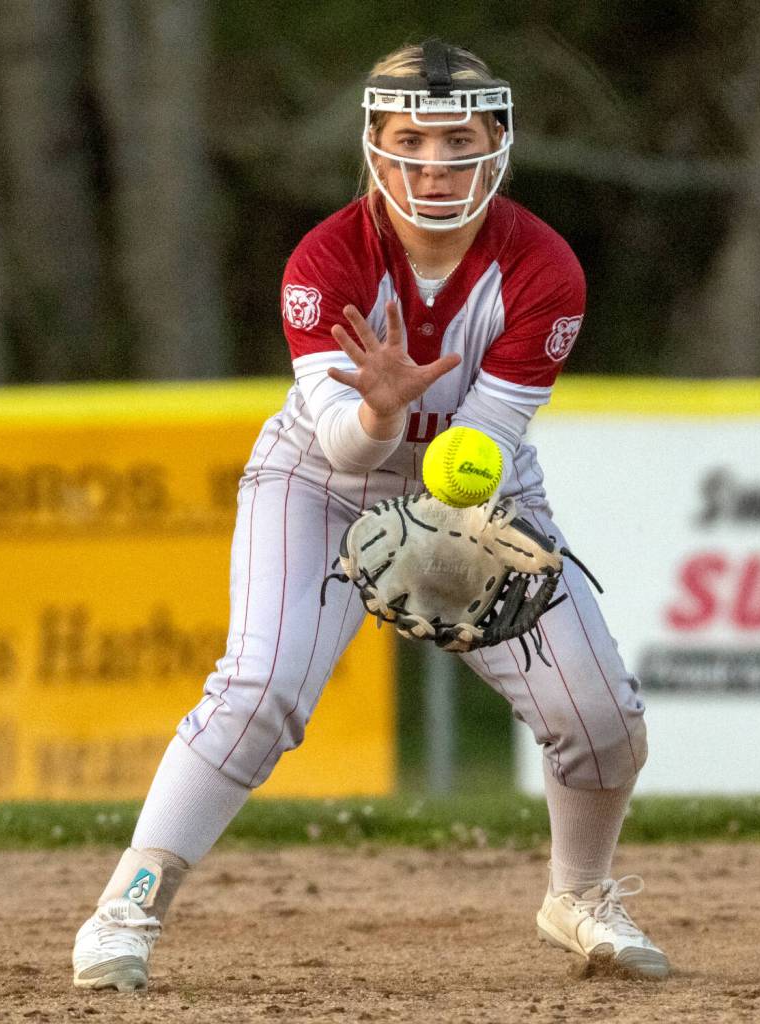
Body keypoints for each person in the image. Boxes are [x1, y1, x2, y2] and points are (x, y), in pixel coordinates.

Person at [72, 39, 669, 990]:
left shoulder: (544, 267)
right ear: (375, 147)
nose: (434, 166)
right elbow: (346, 448)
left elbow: (481, 442)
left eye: (459, 141)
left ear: (498, 145)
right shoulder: (327, 259)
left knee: (603, 718)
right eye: (411, 141)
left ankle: (580, 897)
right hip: (320, 478)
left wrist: (441, 499)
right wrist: (382, 413)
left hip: (478, 486)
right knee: (259, 691)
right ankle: (125, 908)